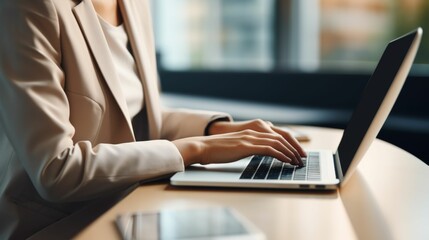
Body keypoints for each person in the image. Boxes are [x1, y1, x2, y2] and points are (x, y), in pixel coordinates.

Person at [0, 0, 306, 238]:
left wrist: (219, 130)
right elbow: (57, 171)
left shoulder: (134, 4)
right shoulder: (29, 7)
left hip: (131, 205)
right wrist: (199, 149)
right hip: (62, 225)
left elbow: (140, 121)